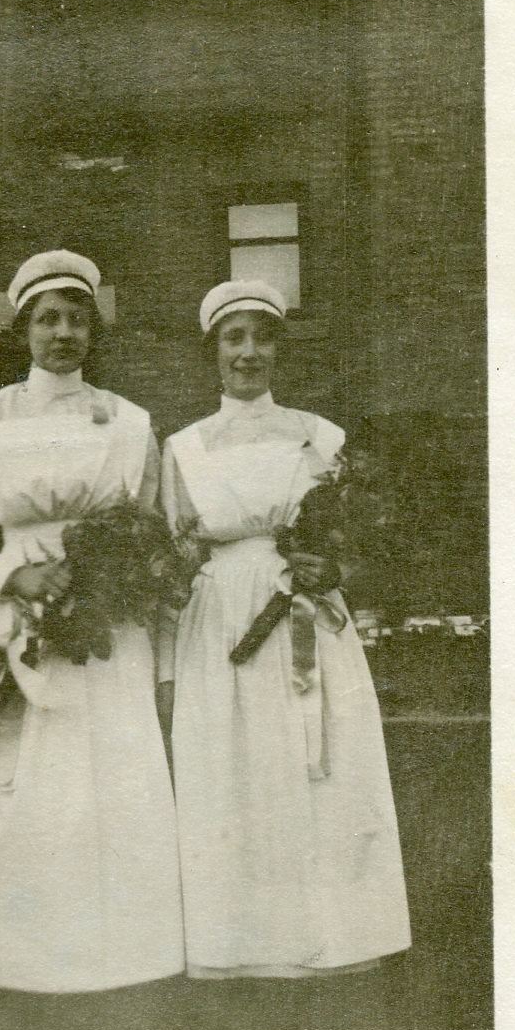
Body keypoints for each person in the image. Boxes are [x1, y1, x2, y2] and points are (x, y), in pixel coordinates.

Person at [0, 250, 184, 993]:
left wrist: (113, 581)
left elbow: (153, 534)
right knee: (14, 780)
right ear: (25, 329)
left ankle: (115, 956)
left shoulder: (130, 424)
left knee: (102, 781)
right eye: (48, 319)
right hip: (11, 624)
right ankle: (3, 957)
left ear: (93, 330)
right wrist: (14, 574)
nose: (63, 333)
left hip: (105, 631)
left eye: (76, 318)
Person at [158, 279, 411, 979]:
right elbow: (173, 560)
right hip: (219, 627)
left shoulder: (319, 435)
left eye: (261, 336)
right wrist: (167, 669)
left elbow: (356, 538)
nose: (248, 352)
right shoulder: (181, 448)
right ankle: (236, 944)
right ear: (212, 352)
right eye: (233, 338)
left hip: (305, 617)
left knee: (316, 765)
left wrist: (330, 563)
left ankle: (331, 938)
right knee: (233, 771)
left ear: (279, 348)